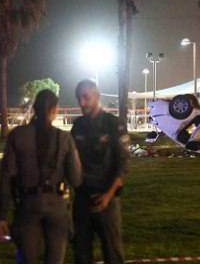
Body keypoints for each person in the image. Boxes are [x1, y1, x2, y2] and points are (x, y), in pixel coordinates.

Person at [0, 90, 83, 264]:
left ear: (34, 108)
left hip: (27, 205)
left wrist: (2, 217)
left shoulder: (17, 136)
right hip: (57, 205)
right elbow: (76, 179)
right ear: (55, 110)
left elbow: (6, 177)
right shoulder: (64, 138)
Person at [72, 80, 130, 264]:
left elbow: (122, 166)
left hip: (107, 202)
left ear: (97, 96)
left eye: (86, 97)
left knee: (113, 255)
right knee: (81, 256)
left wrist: (107, 196)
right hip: (82, 202)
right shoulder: (78, 126)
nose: (82, 103)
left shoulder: (113, 125)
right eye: (79, 98)